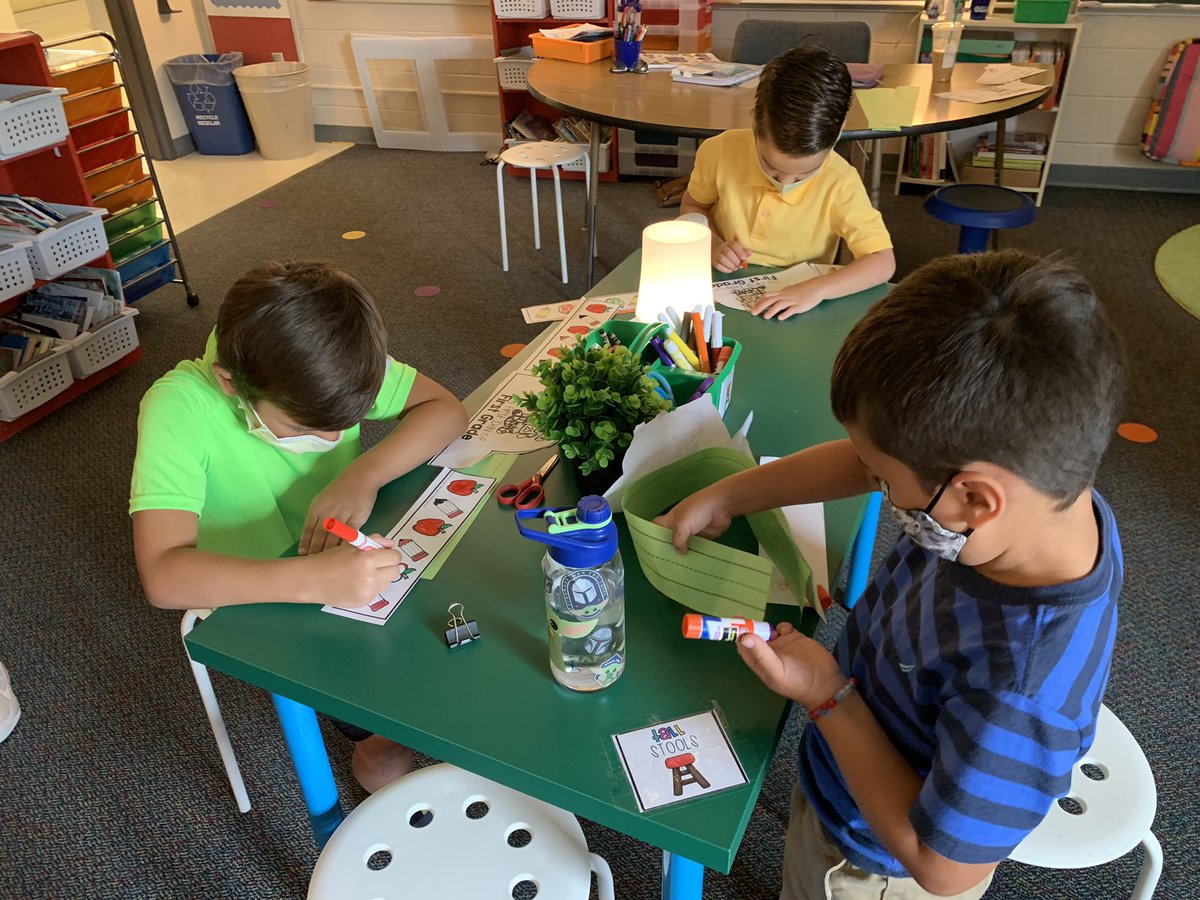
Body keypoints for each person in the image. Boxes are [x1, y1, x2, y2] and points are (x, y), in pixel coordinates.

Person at [659, 251, 1124, 898]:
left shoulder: (1018, 692)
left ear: (975, 498)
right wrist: (731, 495)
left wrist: (828, 696)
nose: (875, 484)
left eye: (885, 482)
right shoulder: (1046, 497)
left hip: (870, 865)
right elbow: (867, 460)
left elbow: (944, 868)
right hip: (855, 746)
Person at [130, 261, 468, 793]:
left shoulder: (326, 356)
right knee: (387, 735)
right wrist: (317, 580)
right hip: (262, 589)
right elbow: (162, 576)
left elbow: (445, 408)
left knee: (450, 627)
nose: (330, 440)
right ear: (230, 383)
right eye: (308, 428)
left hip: (341, 560)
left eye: (345, 425)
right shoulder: (177, 408)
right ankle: (376, 747)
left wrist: (362, 474)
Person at [679, 44, 896, 321]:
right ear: (755, 122)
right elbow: (693, 206)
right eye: (770, 166)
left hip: (801, 305)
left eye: (805, 174)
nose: (784, 182)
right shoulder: (719, 151)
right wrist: (712, 244)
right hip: (719, 288)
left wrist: (818, 288)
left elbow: (882, 261)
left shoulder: (840, 181)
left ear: (838, 133)